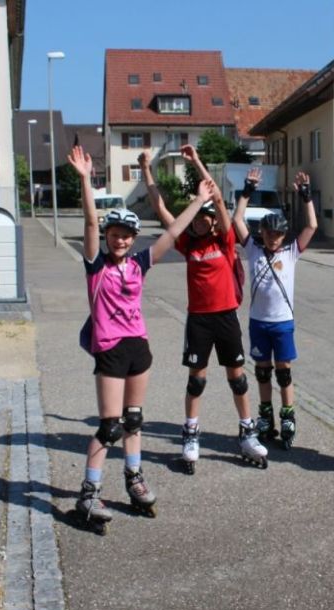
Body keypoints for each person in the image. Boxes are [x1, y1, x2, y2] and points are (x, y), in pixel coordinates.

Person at [68, 145, 214, 530]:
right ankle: (89, 493)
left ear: (133, 239)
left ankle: (134, 479)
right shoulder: (96, 267)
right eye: (115, 235)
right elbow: (89, 222)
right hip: (110, 349)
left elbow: (174, 231)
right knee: (109, 426)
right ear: (108, 236)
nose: (120, 241)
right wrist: (85, 180)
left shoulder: (138, 264)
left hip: (138, 347)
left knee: (133, 420)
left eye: (126, 236)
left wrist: (199, 200)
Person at [138, 146, 267, 473]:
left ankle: (247, 432)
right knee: (196, 381)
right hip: (198, 320)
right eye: (195, 218)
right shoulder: (187, 244)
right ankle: (191, 433)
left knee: (238, 378)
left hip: (226, 317)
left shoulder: (224, 240)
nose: (198, 222)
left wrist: (196, 161)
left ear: (211, 221)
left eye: (203, 218)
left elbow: (218, 199)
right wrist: (146, 170)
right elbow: (160, 207)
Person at [230, 168, 317, 449]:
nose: (273, 238)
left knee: (284, 372)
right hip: (258, 322)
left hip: (282, 322)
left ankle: (288, 415)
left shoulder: (291, 253)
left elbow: (312, 226)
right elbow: (236, 219)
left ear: (283, 235)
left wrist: (306, 196)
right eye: (268, 233)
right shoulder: (253, 249)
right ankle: (266, 414)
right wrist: (247, 190)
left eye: (278, 234)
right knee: (262, 371)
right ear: (262, 233)